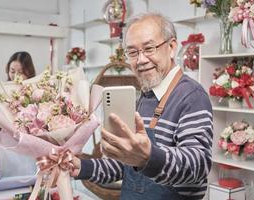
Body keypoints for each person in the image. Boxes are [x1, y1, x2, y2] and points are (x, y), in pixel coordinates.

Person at [70, 13, 213, 200]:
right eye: (133, 52)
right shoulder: (145, 97)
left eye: (149, 48)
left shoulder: (191, 95)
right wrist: (80, 166)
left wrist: (148, 157)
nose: (141, 60)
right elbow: (125, 166)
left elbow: (198, 166)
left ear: (171, 47)